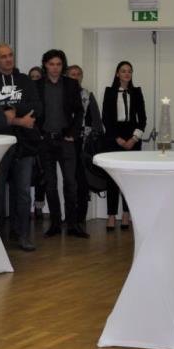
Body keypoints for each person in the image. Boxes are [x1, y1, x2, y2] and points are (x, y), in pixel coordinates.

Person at [0, 44, 41, 251]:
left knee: (23, 192)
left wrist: (13, 109)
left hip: (25, 144)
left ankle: (22, 234)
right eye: (3, 57)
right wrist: (12, 115)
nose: (8, 59)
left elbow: (37, 107)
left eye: (10, 55)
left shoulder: (24, 80)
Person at [35, 50, 86, 238]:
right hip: (46, 140)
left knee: (71, 183)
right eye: (51, 64)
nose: (55, 68)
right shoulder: (37, 85)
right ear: (45, 65)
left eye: (58, 64)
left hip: (66, 140)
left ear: (62, 65)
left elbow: (79, 112)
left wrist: (73, 133)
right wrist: (38, 134)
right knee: (50, 184)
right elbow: (32, 111)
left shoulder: (71, 84)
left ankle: (72, 224)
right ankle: (55, 224)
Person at [100, 61, 147, 231]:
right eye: (123, 71)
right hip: (114, 137)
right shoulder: (109, 92)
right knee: (113, 179)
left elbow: (142, 119)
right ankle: (111, 215)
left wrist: (134, 139)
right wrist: (117, 139)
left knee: (129, 178)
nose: (127, 74)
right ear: (117, 74)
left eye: (129, 71)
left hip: (132, 136)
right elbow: (105, 118)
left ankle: (126, 214)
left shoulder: (137, 92)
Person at [67, 64, 103, 229]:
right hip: (67, 141)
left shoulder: (88, 95)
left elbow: (97, 122)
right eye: (72, 74)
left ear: (82, 77)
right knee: (69, 180)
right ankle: (70, 216)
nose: (75, 77)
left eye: (78, 74)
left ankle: (80, 216)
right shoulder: (62, 94)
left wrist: (91, 139)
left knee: (82, 180)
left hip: (84, 143)